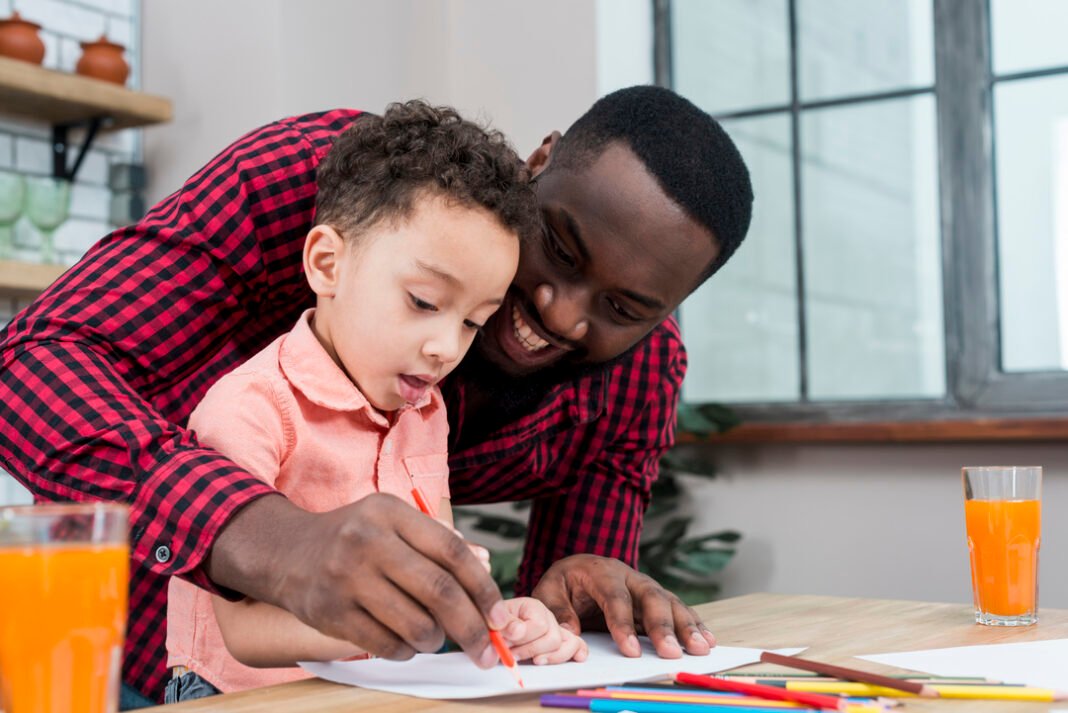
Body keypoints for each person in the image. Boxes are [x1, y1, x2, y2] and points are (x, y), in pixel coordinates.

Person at [0, 85, 753, 707]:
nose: (560, 312)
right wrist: (270, 536)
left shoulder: (639, 376)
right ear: (540, 162)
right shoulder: (336, 190)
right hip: (135, 663)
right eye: (557, 243)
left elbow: (549, 666)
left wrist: (569, 609)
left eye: (622, 308)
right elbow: (32, 367)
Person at [162, 101, 588, 701]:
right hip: (234, 694)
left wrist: (503, 620)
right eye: (423, 302)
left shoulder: (425, 412)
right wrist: (401, 616)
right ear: (327, 263)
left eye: (473, 322)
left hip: (366, 688)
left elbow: (439, 578)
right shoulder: (249, 409)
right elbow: (244, 633)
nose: (445, 348)